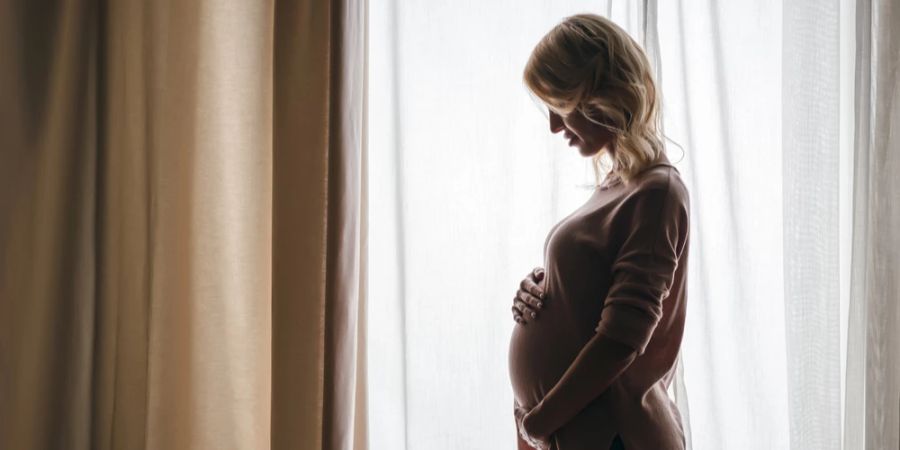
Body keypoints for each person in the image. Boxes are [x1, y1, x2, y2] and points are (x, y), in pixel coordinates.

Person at [507, 13, 691, 450]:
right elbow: (596, 296)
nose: (554, 125)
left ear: (600, 94)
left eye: (560, 104)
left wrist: (538, 424)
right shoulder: (620, 184)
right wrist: (542, 289)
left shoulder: (658, 191)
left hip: (613, 436)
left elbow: (621, 339)